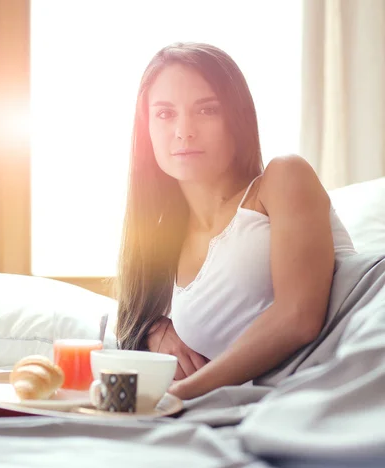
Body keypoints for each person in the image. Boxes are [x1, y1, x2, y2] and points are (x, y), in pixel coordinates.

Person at [115, 42, 356, 401]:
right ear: (146, 129)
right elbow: (120, 328)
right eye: (165, 114)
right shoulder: (163, 247)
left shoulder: (283, 179)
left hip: (351, 376)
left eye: (207, 109)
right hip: (270, 406)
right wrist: (150, 328)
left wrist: (182, 395)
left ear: (237, 118)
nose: (184, 131)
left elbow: (299, 317)